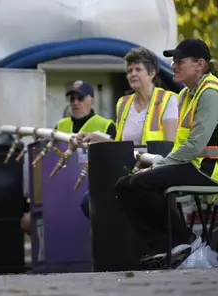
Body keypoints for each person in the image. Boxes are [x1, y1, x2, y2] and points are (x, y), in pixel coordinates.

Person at [114, 38, 218, 269]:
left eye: (180, 61)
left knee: (140, 185)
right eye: (173, 61)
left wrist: (158, 166)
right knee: (124, 185)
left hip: (210, 171)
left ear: (200, 65)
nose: (173, 66)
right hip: (192, 166)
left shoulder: (211, 94)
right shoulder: (187, 94)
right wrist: (157, 165)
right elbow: (183, 146)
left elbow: (193, 147)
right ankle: (175, 245)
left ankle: (183, 243)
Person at [74, 47, 179, 219]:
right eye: (129, 70)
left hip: (155, 170)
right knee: (88, 202)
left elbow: (169, 145)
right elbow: (120, 145)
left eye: (138, 69)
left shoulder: (168, 100)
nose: (132, 74)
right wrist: (96, 137)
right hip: (127, 170)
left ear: (152, 73)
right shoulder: (123, 103)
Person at [20, 80, 115, 232]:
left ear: (92, 100)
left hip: (92, 187)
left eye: (80, 98)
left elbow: (114, 154)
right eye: (72, 99)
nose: (75, 103)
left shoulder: (107, 125)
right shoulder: (61, 125)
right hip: (62, 189)